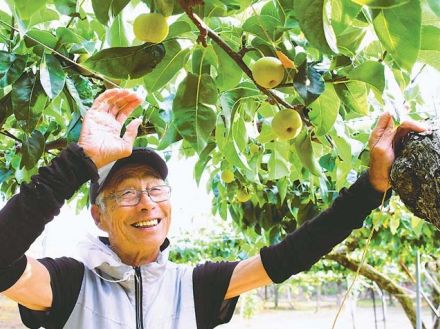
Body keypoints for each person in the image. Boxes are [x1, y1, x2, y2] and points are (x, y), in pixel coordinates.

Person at [0, 88, 427, 329]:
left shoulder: (196, 287)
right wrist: (78, 161)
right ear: (99, 214)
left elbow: (291, 256)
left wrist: (372, 187)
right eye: (127, 193)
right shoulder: (70, 284)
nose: (147, 202)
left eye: (156, 189)